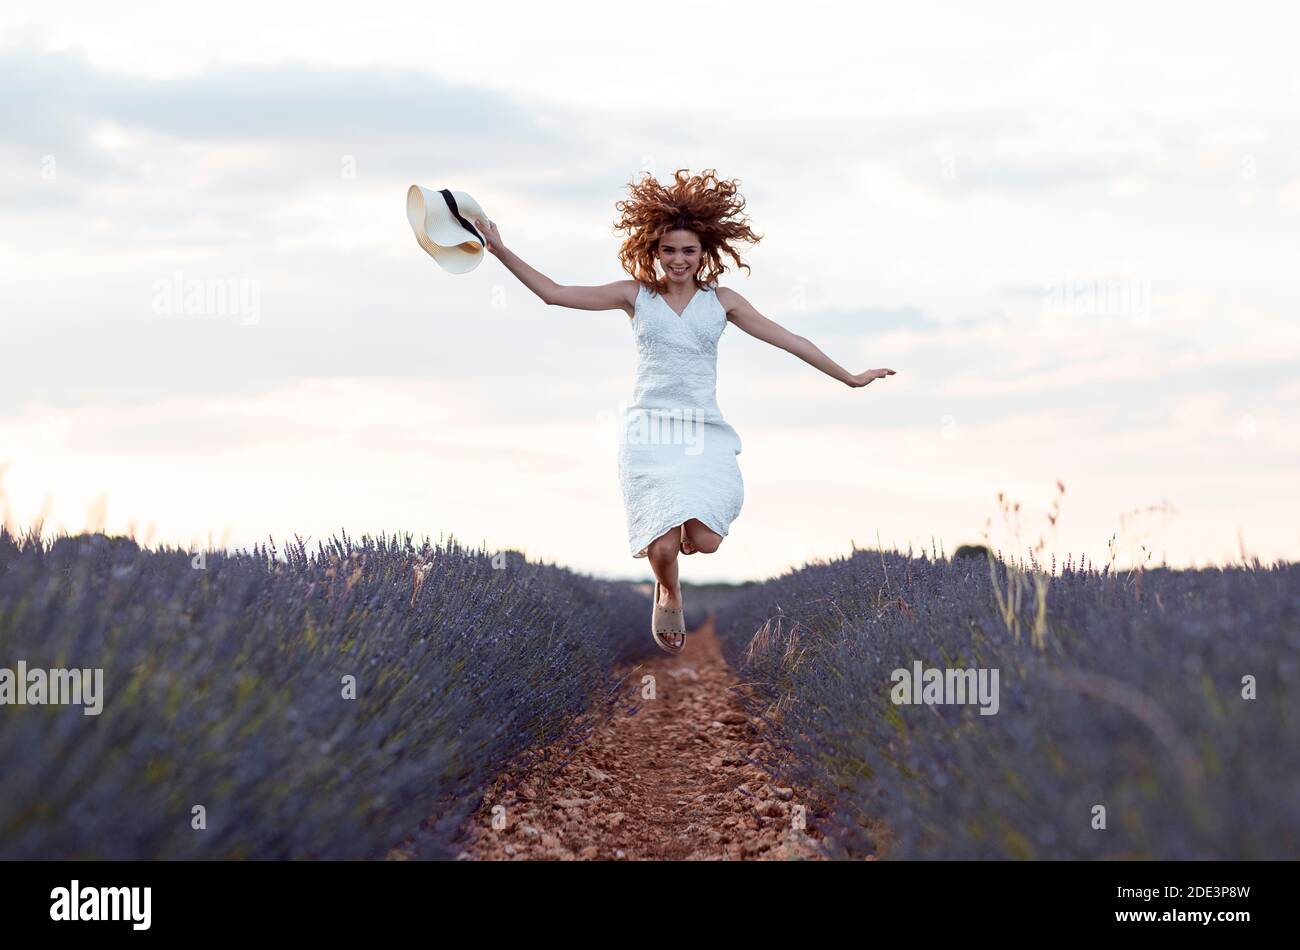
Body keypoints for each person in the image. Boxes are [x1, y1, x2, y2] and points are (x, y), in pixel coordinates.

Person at [474, 168, 895, 651]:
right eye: (669, 250)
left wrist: (849, 376)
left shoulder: (723, 302)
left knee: (708, 540)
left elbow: (790, 340)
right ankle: (669, 589)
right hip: (650, 434)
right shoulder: (635, 295)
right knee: (662, 545)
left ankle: (677, 554)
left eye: (688, 251)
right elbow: (555, 294)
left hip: (703, 433)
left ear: (704, 254)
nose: (678, 260)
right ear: (654, 250)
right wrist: (501, 250)